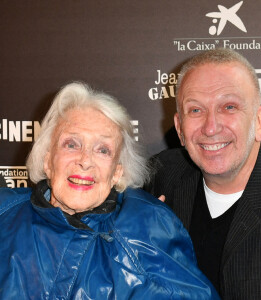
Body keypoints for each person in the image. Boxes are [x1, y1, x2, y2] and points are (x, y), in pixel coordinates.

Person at [0, 82, 220, 299]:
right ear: (48, 160)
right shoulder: (4, 213)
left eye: (103, 150)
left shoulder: (147, 232)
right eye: (71, 144)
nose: (85, 161)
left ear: (116, 172)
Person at [145, 48, 261, 299]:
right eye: (195, 110)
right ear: (179, 128)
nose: (211, 127)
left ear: (260, 121)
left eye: (229, 107)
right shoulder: (157, 178)